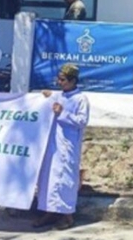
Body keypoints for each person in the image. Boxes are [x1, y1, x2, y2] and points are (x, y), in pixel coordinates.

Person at [32, 63, 90, 230]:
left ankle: (67, 215)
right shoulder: (59, 96)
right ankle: (49, 212)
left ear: (72, 80)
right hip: (52, 144)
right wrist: (45, 96)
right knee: (48, 177)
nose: (59, 82)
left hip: (68, 146)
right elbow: (51, 99)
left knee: (64, 179)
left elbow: (81, 121)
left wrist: (63, 113)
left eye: (63, 79)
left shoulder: (80, 99)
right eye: (58, 79)